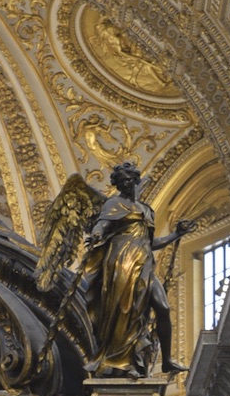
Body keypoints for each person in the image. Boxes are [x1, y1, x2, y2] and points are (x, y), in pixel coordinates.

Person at [79, 159, 196, 378]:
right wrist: (96, 234)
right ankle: (122, 361)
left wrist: (177, 234)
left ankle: (167, 360)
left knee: (163, 307)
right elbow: (102, 225)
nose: (126, 185)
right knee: (124, 310)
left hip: (144, 263)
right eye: (122, 182)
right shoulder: (113, 204)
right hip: (122, 262)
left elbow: (151, 243)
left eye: (130, 180)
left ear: (136, 181)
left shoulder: (146, 210)